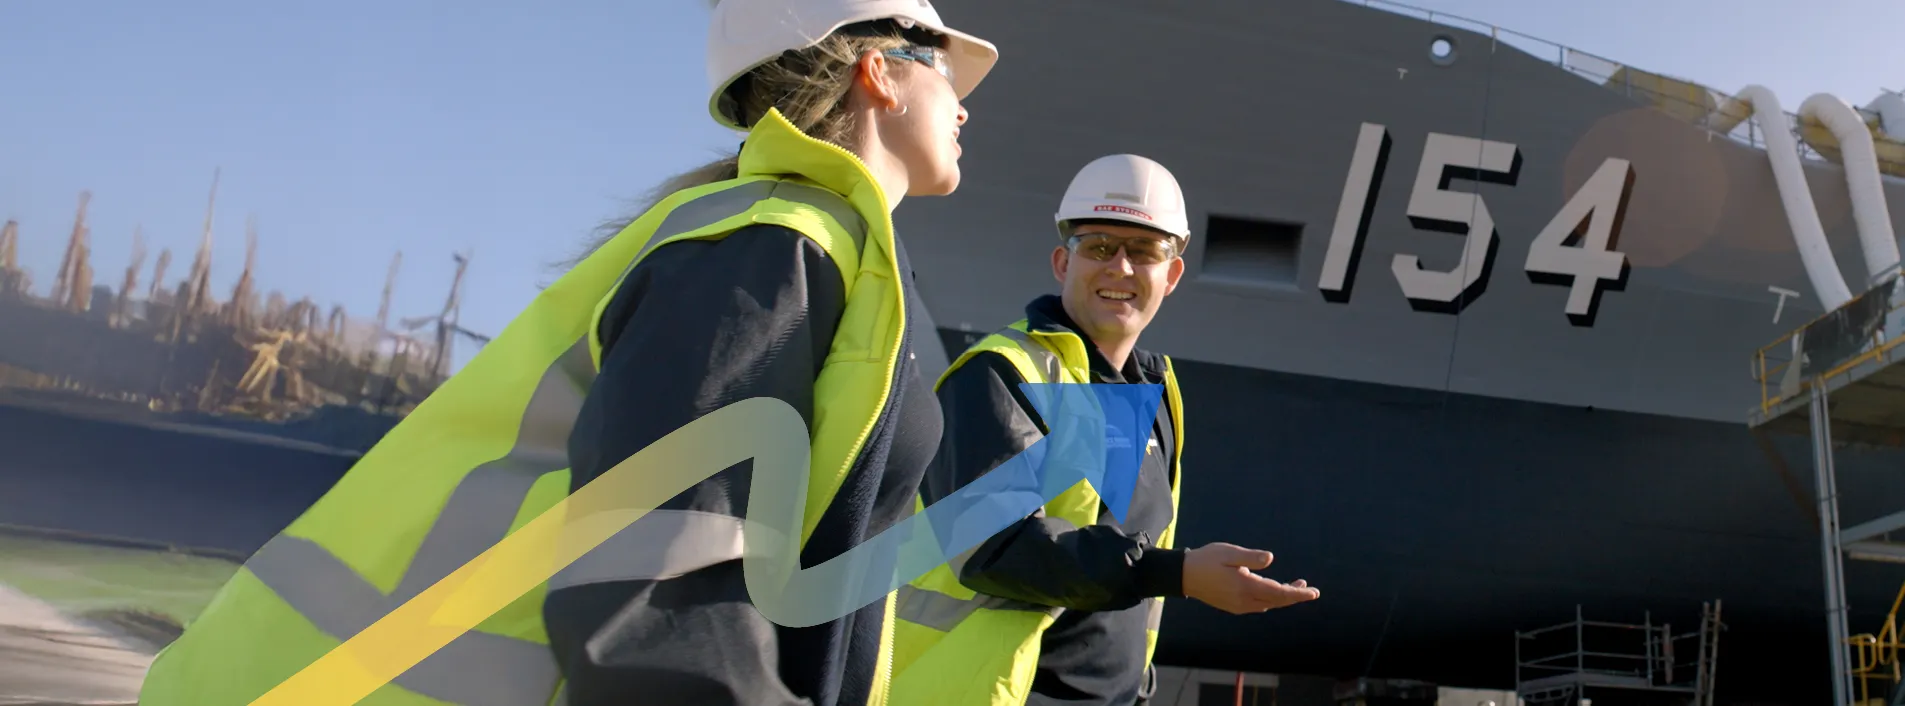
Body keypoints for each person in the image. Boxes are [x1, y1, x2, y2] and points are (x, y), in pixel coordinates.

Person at [136, 1, 998, 705]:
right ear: (878, 71)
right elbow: (659, 567)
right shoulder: (770, 246)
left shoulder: (800, 244)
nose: (963, 105)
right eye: (945, 70)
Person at [885, 155, 1322, 706]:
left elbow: (1125, 595)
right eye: (1098, 247)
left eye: (1144, 251)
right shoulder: (1002, 373)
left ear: (1172, 275)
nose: (1120, 267)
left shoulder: (1155, 392)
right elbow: (996, 547)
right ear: (1062, 262)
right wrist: (1180, 573)